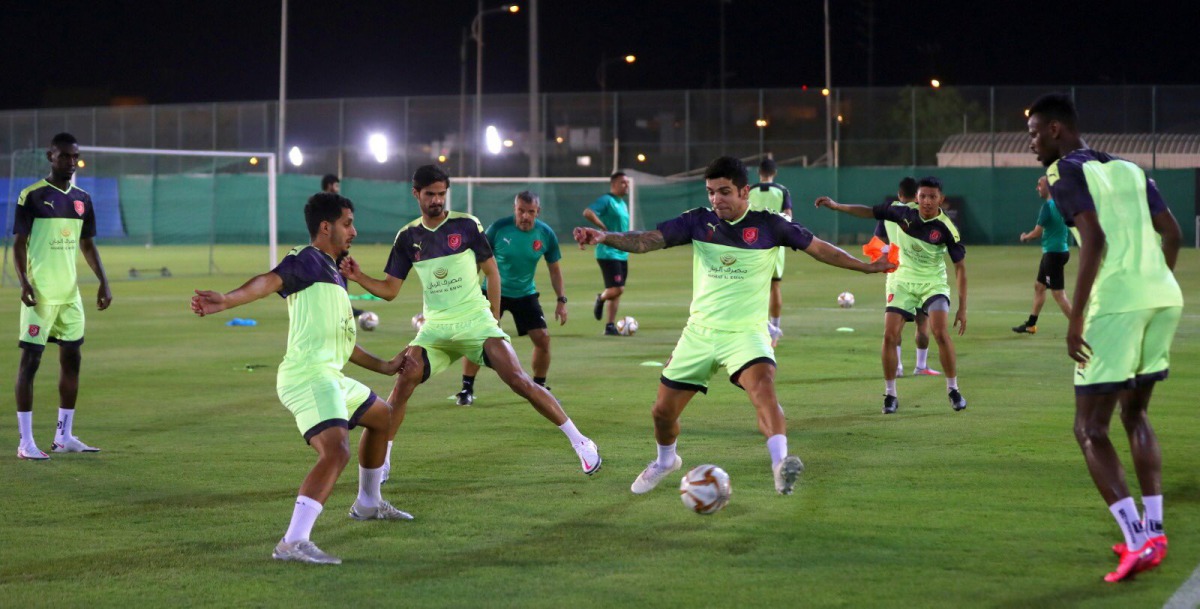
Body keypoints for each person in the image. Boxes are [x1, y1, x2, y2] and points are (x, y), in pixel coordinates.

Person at [574, 156, 892, 496]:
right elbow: (646, 240)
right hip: (699, 333)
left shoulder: (770, 225)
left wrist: (866, 267)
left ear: (745, 192)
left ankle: (780, 464)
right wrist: (604, 237)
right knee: (662, 413)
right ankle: (666, 461)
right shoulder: (698, 221)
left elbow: (819, 249)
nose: (716, 200)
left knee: (764, 390)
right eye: (711, 192)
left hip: (747, 333)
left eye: (724, 192)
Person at [192, 192, 411, 565]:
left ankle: (369, 503)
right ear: (325, 227)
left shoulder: (333, 273)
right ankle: (292, 541)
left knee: (383, 417)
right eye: (347, 223)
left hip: (329, 373)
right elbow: (269, 280)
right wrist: (227, 301)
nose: (353, 231)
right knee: (336, 451)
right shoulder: (306, 259)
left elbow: (344, 343)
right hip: (308, 376)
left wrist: (387, 367)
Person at [339, 165, 601, 478]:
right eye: (429, 194)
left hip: (475, 322)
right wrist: (358, 276)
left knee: (518, 379)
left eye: (441, 194)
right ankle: (383, 461)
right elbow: (390, 290)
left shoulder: (466, 225)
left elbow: (491, 271)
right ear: (416, 194)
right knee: (404, 382)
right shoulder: (407, 237)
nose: (436, 200)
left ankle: (582, 443)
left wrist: (492, 316)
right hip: (435, 329)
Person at [1028, 93, 1181, 582]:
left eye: (1033, 133)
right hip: (1162, 297)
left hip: (1115, 305)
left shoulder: (1063, 173)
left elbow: (1094, 238)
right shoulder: (1132, 169)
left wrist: (1076, 320)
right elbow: (1172, 233)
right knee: (1134, 414)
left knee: (1089, 429)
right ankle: (1153, 531)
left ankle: (1137, 541)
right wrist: (1151, 282)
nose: (1031, 144)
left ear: (1055, 129)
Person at [815, 176, 968, 415]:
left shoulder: (947, 228)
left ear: (941, 199)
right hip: (900, 281)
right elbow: (868, 212)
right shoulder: (901, 212)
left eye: (932, 197)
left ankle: (953, 389)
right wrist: (837, 206)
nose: (927, 201)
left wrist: (963, 308)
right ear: (917, 197)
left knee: (939, 331)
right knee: (889, 335)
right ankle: (890, 394)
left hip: (933, 284)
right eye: (923, 196)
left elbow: (960, 267)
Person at [13, 132, 112, 460]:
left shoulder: (83, 198)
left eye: (75, 157)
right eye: (65, 156)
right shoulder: (33, 196)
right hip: (40, 295)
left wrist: (103, 281)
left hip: (71, 296)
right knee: (30, 363)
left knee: (73, 360)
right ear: (50, 156)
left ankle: (64, 436)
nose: (71, 162)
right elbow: (18, 244)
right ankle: (26, 443)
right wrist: (24, 282)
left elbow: (87, 244)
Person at [455, 191, 568, 406]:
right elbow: (478, 261)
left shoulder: (546, 234)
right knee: (479, 339)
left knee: (543, 339)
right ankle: (466, 388)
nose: (525, 216)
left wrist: (561, 300)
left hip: (525, 293)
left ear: (538, 212)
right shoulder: (498, 228)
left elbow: (554, 270)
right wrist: (467, 291)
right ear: (514, 209)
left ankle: (539, 386)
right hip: (493, 291)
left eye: (530, 212)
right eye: (521, 211)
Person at [861, 177, 940, 378]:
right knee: (923, 323)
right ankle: (921, 366)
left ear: (899, 195)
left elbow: (878, 242)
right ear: (917, 195)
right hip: (923, 277)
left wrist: (887, 254)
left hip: (897, 277)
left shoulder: (889, 212)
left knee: (895, 327)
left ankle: (897, 367)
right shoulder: (922, 213)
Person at [1012, 176, 1072, 333]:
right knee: (1039, 286)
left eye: (1039, 185)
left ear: (1049, 187)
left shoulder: (1047, 207)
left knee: (1058, 294)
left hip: (1053, 254)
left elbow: (1037, 233)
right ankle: (1031, 324)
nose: (1036, 188)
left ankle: (1082, 327)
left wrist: (1025, 237)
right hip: (1059, 252)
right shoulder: (1062, 204)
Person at [746, 158, 793, 347]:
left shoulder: (749, 190)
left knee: (752, 288)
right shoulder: (782, 191)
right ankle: (774, 329)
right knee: (774, 286)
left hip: (752, 243)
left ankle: (758, 327)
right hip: (775, 242)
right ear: (774, 172)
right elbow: (788, 217)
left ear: (759, 172)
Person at [583, 172, 631, 335]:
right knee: (617, 289)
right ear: (614, 184)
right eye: (623, 183)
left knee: (616, 289)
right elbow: (588, 212)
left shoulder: (622, 203)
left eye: (627, 183)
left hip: (622, 252)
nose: (627, 185)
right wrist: (601, 226)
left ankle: (610, 326)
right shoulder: (607, 200)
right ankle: (600, 298)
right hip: (608, 252)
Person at [321, 174, 372, 322]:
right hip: (329, 246)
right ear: (329, 185)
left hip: (337, 246)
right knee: (332, 275)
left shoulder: (334, 203)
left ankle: (343, 306)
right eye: (335, 185)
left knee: (342, 272)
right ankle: (338, 308)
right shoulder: (324, 203)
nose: (337, 189)